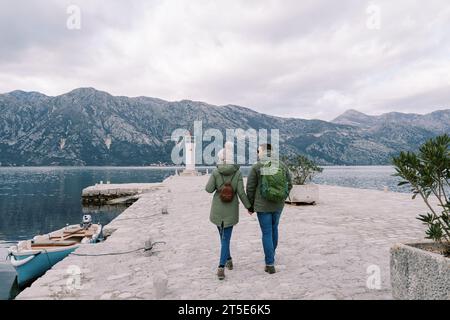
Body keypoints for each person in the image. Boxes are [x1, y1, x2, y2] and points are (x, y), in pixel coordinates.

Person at [205, 145, 252, 280]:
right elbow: (241, 193)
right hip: (231, 209)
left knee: (223, 237)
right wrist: (249, 206)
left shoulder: (215, 172)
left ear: (220, 158)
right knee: (226, 238)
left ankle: (222, 265)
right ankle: (227, 260)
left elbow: (208, 189)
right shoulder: (237, 173)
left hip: (217, 210)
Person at [246, 143, 292, 274]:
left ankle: (270, 263)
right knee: (274, 228)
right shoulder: (282, 165)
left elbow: (250, 188)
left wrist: (250, 205)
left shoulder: (257, 166)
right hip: (278, 204)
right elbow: (290, 183)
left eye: (258, 151)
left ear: (261, 152)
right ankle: (271, 254)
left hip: (262, 206)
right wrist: (283, 197)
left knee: (266, 233)